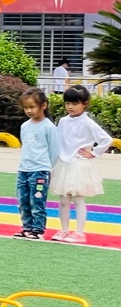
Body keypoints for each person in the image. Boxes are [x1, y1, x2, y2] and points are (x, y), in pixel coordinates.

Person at [51, 84, 114, 244]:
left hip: (79, 164)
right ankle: (64, 230)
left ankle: (79, 232)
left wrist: (93, 153)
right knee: (64, 200)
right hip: (63, 163)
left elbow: (106, 139)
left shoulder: (87, 122)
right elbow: (58, 140)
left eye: (74, 103)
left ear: (84, 104)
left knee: (78, 199)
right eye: (67, 103)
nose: (70, 107)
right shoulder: (63, 121)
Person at [14, 87, 57, 240]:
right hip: (24, 170)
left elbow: (54, 150)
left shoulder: (49, 127)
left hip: (40, 171)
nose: (29, 111)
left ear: (43, 106)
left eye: (32, 107)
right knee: (23, 201)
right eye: (26, 107)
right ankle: (26, 228)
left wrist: (48, 168)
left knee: (37, 200)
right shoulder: (25, 126)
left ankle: (38, 230)